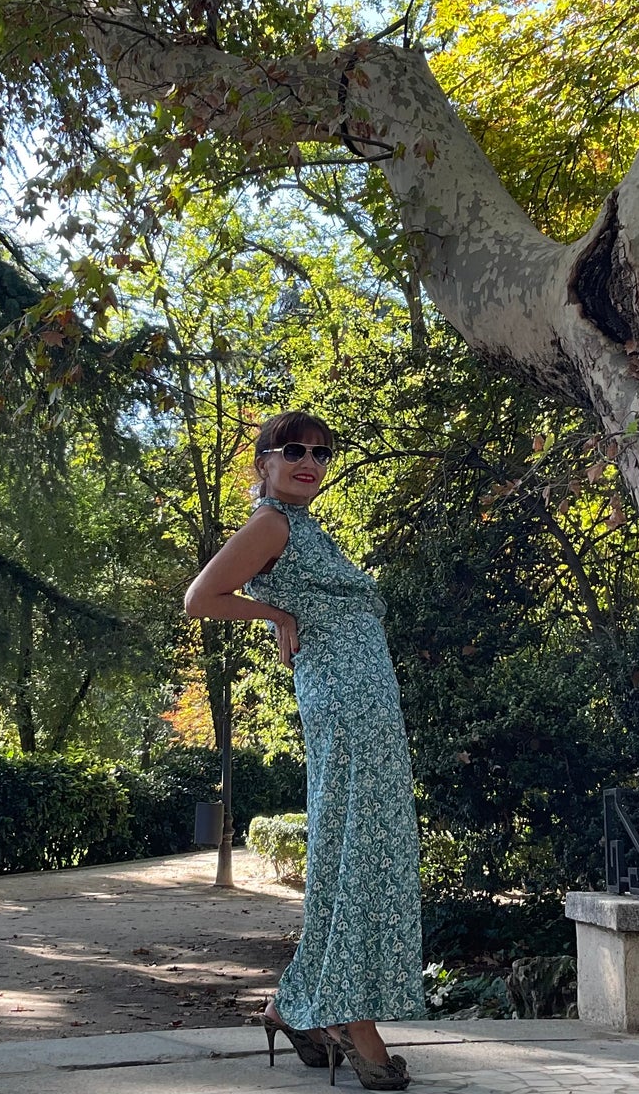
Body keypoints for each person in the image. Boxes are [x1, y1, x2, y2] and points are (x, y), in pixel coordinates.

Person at [183, 410, 423, 1091]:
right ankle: (353, 1020)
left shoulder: (305, 527)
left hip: (365, 709)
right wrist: (277, 615)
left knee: (368, 851)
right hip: (345, 707)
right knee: (359, 855)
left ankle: (296, 1006)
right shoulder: (272, 523)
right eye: (292, 450)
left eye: (321, 451)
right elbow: (201, 598)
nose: (308, 461)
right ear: (263, 463)